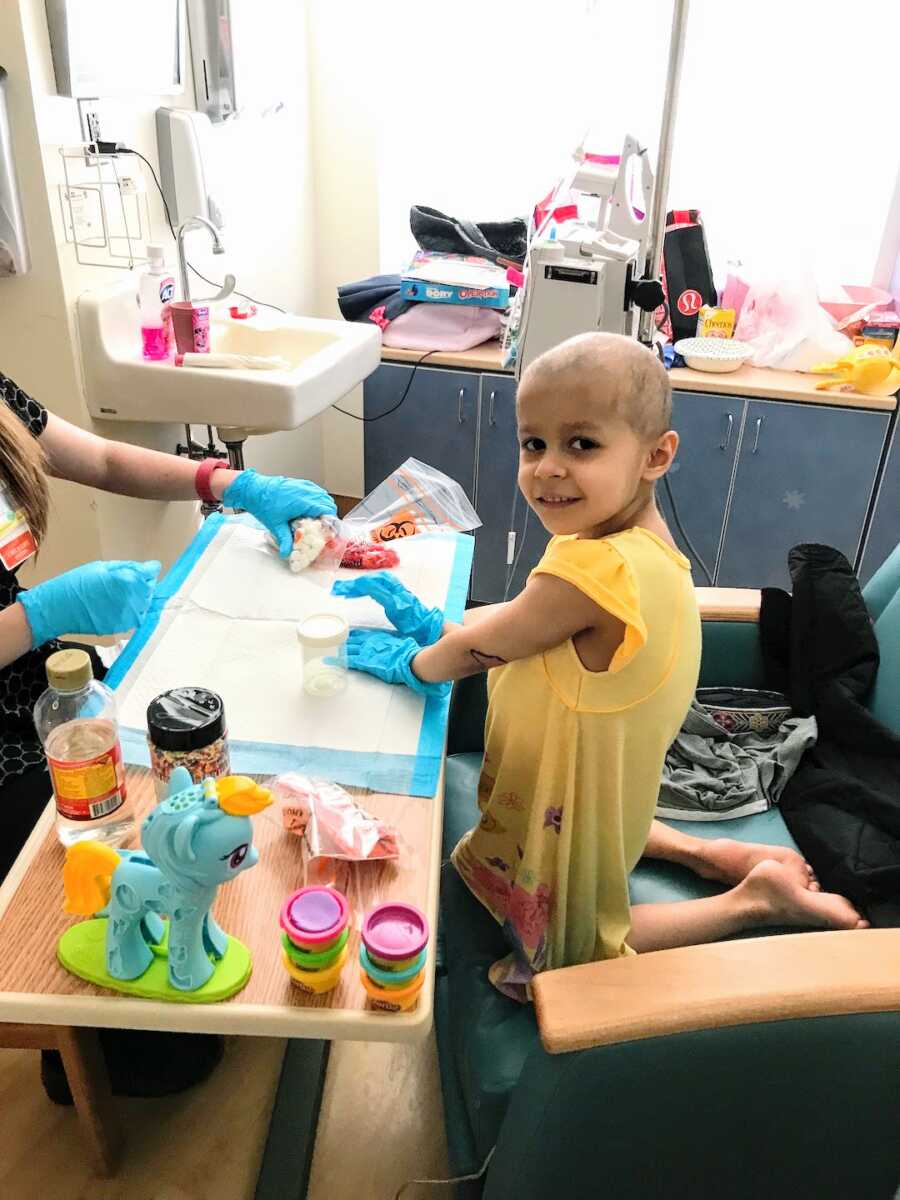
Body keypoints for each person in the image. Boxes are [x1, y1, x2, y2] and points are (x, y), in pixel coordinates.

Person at [335, 333, 867, 998]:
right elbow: (523, 624)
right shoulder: (634, 544)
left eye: (581, 444)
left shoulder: (592, 567)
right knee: (591, 834)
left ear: (655, 456)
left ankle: (752, 901)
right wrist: (436, 621)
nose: (548, 468)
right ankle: (703, 851)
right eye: (534, 443)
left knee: (566, 961)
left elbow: (488, 645)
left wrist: (419, 661)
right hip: (603, 781)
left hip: (577, 788)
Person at [0, 369, 335, 1093]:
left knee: (171, 793)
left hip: (40, 684)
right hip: (10, 749)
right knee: (83, 908)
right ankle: (95, 1052)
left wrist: (223, 484)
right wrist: (38, 614)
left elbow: (106, 459)